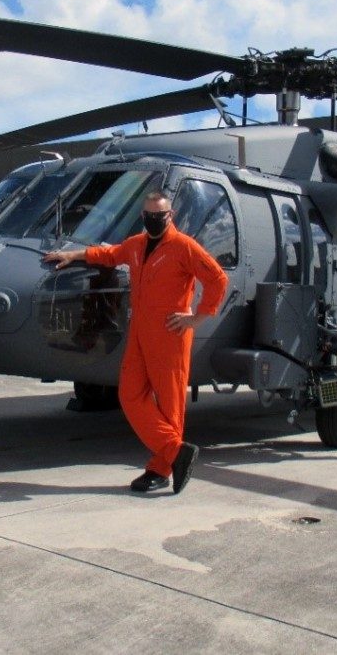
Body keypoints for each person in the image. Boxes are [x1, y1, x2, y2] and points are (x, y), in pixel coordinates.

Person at [43, 191, 228, 495]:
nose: (154, 221)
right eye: (149, 216)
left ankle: (161, 467)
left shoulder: (184, 247)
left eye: (160, 216)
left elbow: (217, 279)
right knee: (129, 395)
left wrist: (197, 317)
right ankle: (175, 451)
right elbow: (109, 254)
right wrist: (73, 255)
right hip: (140, 332)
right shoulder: (137, 245)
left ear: (171, 217)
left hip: (171, 334)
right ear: (143, 217)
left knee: (170, 405)